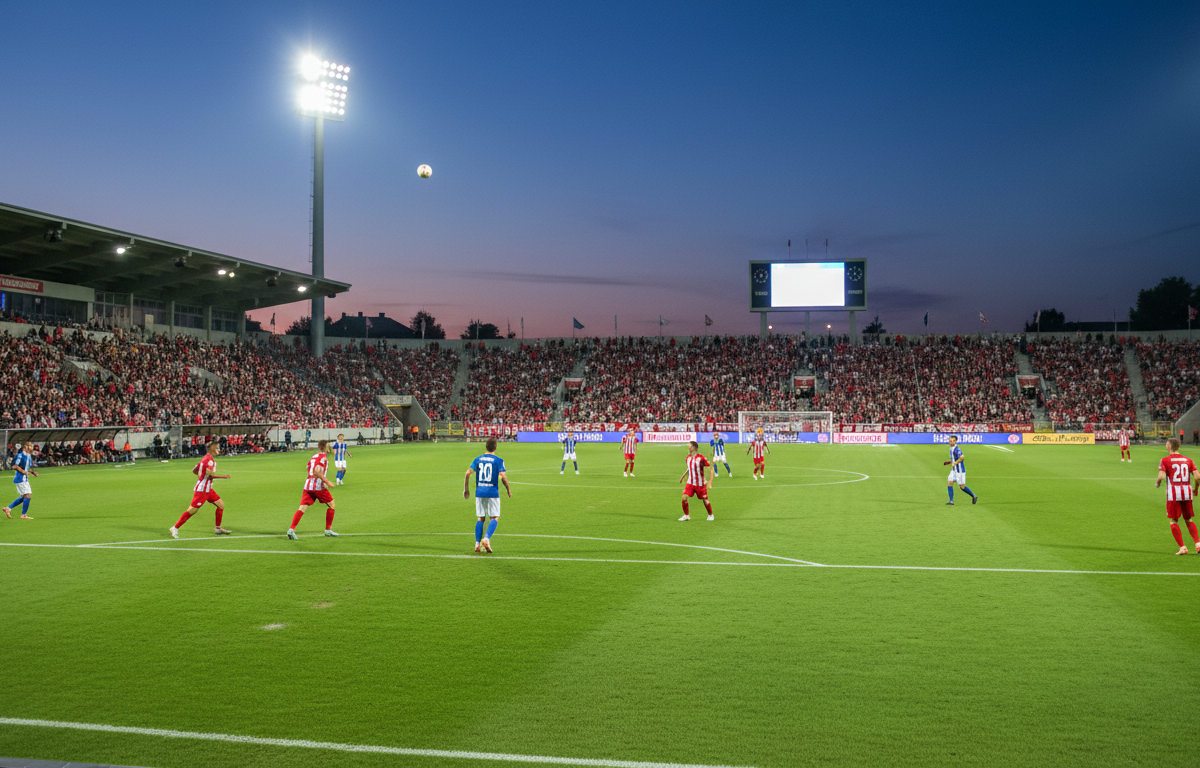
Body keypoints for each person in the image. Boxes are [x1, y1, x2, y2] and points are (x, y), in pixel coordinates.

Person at [170, 442, 231, 538]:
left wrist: (201, 478)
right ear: (212, 449)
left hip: (207, 489)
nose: (219, 450)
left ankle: (218, 528)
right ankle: (175, 528)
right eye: (217, 448)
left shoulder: (204, 458)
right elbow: (209, 475)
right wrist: (223, 477)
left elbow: (194, 470)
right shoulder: (210, 461)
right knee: (192, 510)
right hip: (202, 490)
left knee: (221, 505)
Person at [464, 437, 511, 553]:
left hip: (479, 492)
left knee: (480, 518)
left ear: (486, 446)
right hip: (492, 493)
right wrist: (508, 489)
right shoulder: (498, 460)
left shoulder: (478, 459)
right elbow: (503, 477)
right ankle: (486, 539)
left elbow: (467, 473)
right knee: (494, 518)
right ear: (495, 447)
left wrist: (466, 489)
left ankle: (476, 544)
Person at [287, 439, 338, 539]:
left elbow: (307, 467)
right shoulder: (323, 457)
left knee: (302, 508)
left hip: (308, 485)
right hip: (318, 486)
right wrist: (327, 482)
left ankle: (291, 529)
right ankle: (328, 530)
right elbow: (317, 471)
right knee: (331, 505)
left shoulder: (314, 456)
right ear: (325, 447)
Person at [1155, 437, 1199, 555]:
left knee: (1173, 520)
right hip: (1187, 492)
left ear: (1169, 446)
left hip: (1174, 494)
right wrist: (1196, 489)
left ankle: (1183, 547)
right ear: (1178, 447)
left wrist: (1158, 483)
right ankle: (1198, 543)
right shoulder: (1188, 460)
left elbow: (1161, 476)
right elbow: (1197, 476)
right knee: (1188, 519)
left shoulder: (1165, 460)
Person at [678, 440, 714, 521]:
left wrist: (709, 481)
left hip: (700, 483)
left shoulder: (701, 458)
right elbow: (689, 469)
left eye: (690, 446)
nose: (688, 448)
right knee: (684, 497)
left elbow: (709, 468)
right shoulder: (688, 458)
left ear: (694, 448)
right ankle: (686, 515)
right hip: (690, 483)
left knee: (705, 500)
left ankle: (710, 515)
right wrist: (683, 477)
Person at [3, 442, 38, 519]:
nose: (31, 449)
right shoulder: (20, 455)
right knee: (28, 495)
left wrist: (31, 472)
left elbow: (25, 467)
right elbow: (15, 466)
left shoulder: (28, 456)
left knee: (24, 496)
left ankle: (8, 508)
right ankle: (23, 515)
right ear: (25, 448)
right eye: (30, 447)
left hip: (24, 478)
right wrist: (24, 472)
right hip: (20, 478)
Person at [943, 435, 978, 506]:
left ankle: (973, 495)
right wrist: (951, 461)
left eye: (952, 440)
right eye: (949, 440)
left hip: (960, 471)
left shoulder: (957, 450)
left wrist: (955, 463)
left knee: (962, 487)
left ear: (955, 441)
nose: (950, 442)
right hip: (954, 470)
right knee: (949, 482)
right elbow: (955, 458)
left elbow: (962, 457)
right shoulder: (951, 448)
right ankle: (951, 501)